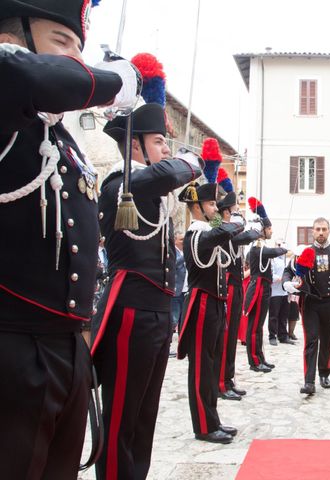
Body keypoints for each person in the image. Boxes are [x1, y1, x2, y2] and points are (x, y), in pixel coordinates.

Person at [0, 1, 136, 477]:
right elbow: (33, 76)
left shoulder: (60, 138)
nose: (77, 61)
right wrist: (120, 80)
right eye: (61, 44)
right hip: (13, 348)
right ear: (13, 40)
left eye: (81, 48)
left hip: (66, 344)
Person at [91, 78, 202, 478]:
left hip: (156, 313)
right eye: (159, 141)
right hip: (131, 311)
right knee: (121, 414)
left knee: (144, 416)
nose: (166, 149)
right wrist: (191, 162)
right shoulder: (122, 185)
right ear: (135, 145)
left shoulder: (151, 190)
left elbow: (175, 171)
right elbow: (179, 169)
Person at [176, 176, 243, 444]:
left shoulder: (209, 231)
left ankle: (212, 420)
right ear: (197, 207)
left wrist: (229, 223)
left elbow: (226, 245)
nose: (216, 209)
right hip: (201, 302)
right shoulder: (196, 233)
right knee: (202, 367)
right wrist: (232, 220)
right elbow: (224, 231)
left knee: (212, 366)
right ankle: (203, 426)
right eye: (211, 204)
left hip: (215, 302)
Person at [283, 217, 330, 395]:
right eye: (317, 229)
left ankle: (324, 374)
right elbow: (288, 271)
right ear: (313, 231)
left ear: (329, 231)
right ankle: (309, 381)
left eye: (324, 229)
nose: (321, 232)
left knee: (327, 340)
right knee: (311, 340)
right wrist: (286, 284)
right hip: (311, 302)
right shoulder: (304, 252)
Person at [216, 187, 260, 400]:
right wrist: (252, 228)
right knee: (226, 336)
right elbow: (248, 235)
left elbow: (249, 234)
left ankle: (229, 378)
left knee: (232, 335)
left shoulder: (230, 228)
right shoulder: (222, 228)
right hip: (228, 284)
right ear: (226, 212)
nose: (239, 213)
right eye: (235, 209)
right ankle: (221, 382)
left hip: (235, 283)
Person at [244, 198, 288, 373]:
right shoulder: (257, 248)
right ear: (263, 230)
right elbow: (274, 251)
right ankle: (254, 361)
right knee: (254, 326)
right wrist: (284, 249)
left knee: (259, 327)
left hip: (264, 288)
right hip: (258, 289)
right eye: (269, 229)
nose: (271, 232)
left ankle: (260, 357)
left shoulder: (261, 247)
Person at [268, 241, 294, 345]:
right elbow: (270, 274)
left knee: (284, 315)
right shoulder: (272, 260)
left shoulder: (287, 261)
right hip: (275, 292)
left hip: (285, 292)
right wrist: (279, 278)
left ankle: (283, 336)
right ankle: (272, 336)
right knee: (273, 315)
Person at [170, 232, 186, 356]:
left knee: (183, 321)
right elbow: (173, 265)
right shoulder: (172, 252)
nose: (183, 241)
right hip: (176, 291)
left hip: (186, 290)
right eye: (181, 239)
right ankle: (167, 345)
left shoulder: (184, 253)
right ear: (175, 240)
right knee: (173, 319)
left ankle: (182, 347)